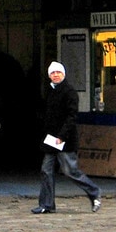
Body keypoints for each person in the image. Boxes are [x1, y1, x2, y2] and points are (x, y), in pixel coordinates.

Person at [34, 61, 102, 214]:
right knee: (46, 170)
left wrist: (61, 136)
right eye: (52, 73)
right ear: (49, 76)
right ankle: (46, 204)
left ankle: (94, 192)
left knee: (70, 171)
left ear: (63, 74)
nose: (55, 75)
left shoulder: (69, 92)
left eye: (58, 72)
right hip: (50, 140)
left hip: (64, 140)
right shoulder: (51, 91)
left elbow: (72, 117)